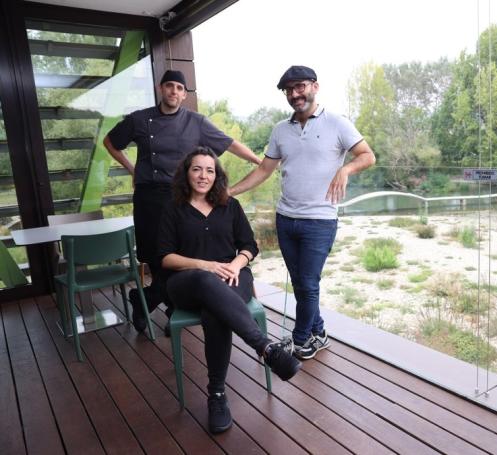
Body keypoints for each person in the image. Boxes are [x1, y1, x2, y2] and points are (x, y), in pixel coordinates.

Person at [229, 65, 375, 360]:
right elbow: (264, 170)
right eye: (289, 90)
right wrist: (228, 193)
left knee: (308, 284)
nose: (295, 94)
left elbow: (368, 155)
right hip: (286, 220)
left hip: (319, 222)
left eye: (300, 87)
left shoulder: (338, 123)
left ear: (315, 87)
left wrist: (346, 168)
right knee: (301, 285)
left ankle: (299, 341)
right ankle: (318, 333)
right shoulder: (280, 130)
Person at [103, 69, 262, 334]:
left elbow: (229, 143)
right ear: (160, 88)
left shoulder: (196, 121)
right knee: (159, 259)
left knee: (185, 256)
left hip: (182, 197)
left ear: (184, 94)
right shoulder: (140, 119)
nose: (174, 91)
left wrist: (259, 161)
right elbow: (110, 142)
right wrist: (133, 170)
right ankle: (165, 305)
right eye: (169, 86)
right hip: (150, 198)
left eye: (179, 88)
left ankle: (149, 302)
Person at [158, 146, 301, 433]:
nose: (203, 175)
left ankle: (217, 395)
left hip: (233, 277)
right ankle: (266, 347)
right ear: (186, 173)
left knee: (215, 313)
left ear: (217, 175)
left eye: (210, 170)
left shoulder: (229, 205)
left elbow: (249, 245)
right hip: (188, 281)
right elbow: (165, 257)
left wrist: (236, 265)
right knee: (204, 280)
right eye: (196, 169)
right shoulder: (173, 207)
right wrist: (206, 265)